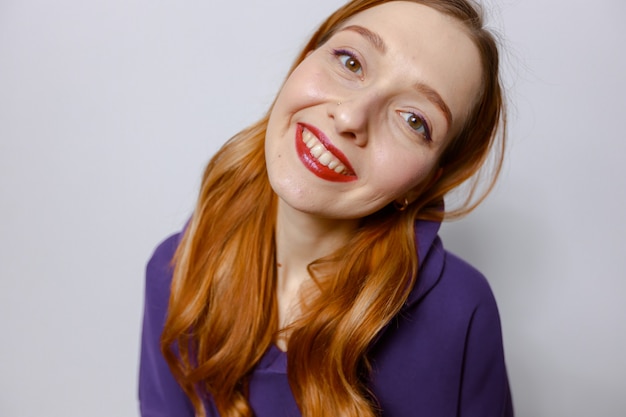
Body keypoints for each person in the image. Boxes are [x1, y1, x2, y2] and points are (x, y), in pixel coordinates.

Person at [139, 0, 513, 416]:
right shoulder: (175, 272)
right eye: (351, 62)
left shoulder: (460, 313)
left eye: (413, 120)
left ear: (426, 181)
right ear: (304, 60)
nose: (351, 117)